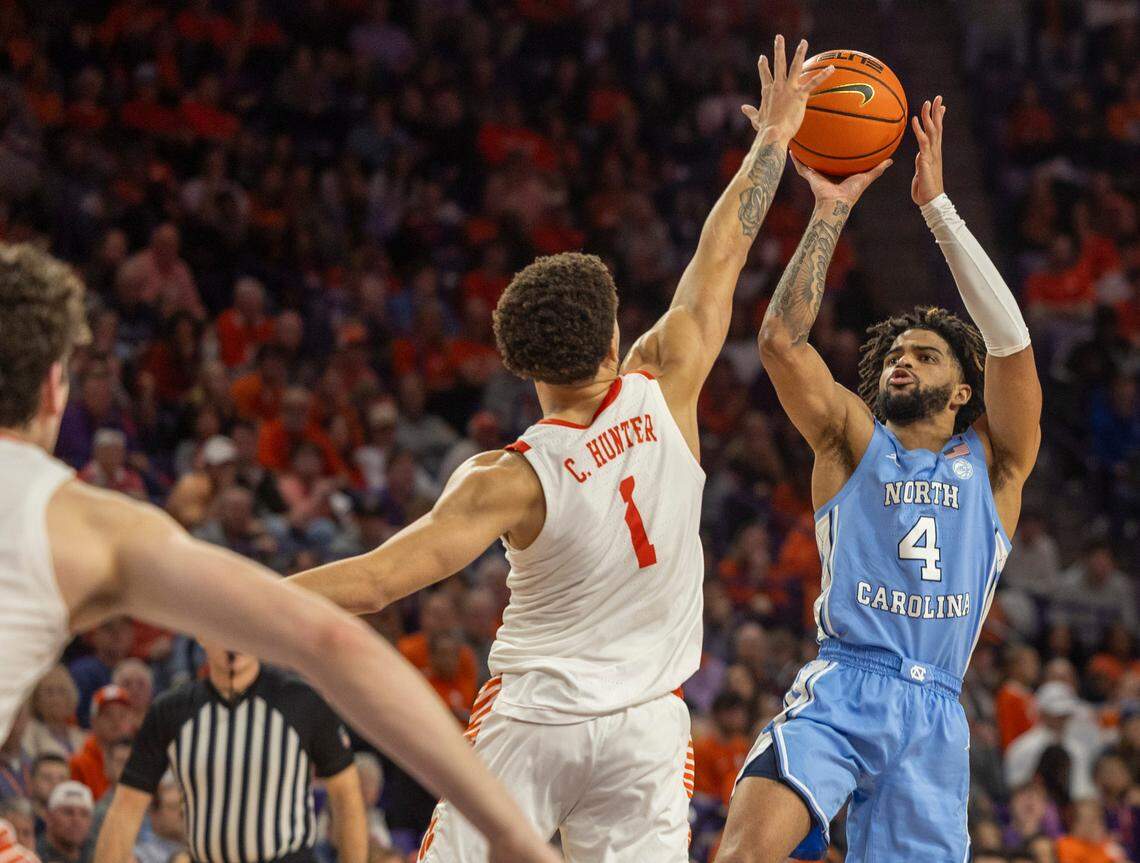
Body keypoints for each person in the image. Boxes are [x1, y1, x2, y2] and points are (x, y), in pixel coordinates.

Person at [289, 35, 831, 862]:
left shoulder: (507, 477)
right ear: (614, 338)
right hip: (649, 726)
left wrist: (233, 593)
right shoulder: (667, 380)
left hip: (533, 724)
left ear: (524, 367)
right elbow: (721, 252)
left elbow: (374, 583)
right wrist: (774, 138)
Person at [0, 242, 560, 863]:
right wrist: (510, 833)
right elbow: (332, 642)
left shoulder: (288, 710)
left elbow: (346, 797)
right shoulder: (80, 525)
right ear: (56, 387)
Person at [717, 95, 1042, 863]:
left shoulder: (994, 465)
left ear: (965, 390)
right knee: (743, 854)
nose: (904, 359)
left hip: (935, 715)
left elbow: (1013, 341)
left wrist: (939, 213)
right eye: (897, 353)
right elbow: (781, 339)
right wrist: (829, 207)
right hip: (844, 688)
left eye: (927, 355)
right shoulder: (853, 440)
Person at [94, 642, 365, 863]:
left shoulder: (301, 700)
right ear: (201, 636)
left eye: (242, 628)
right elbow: (126, 807)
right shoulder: (171, 710)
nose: (233, 640)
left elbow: (346, 793)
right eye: (223, 628)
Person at [68, 686, 133, 802]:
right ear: (93, 721)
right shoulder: (78, 764)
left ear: (131, 721)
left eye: (122, 715)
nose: (116, 721)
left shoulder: (141, 759)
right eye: (108, 715)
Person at [22, 667, 85, 760]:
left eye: (61, 691)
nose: (55, 699)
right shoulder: (29, 732)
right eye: (49, 692)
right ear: (37, 700)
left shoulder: (82, 736)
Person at [36, 782, 93, 863]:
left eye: (84, 814)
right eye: (68, 812)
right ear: (49, 817)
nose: (76, 820)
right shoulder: (33, 856)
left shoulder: (96, 852)